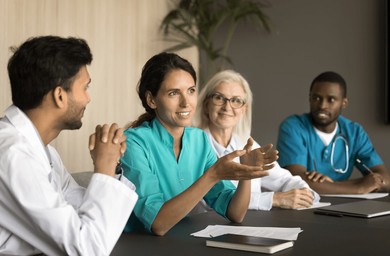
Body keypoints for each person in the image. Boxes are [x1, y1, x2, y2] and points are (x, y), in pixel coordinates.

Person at [0, 36, 138, 256]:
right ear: (60, 96)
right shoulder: (13, 155)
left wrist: (110, 166)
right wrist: (103, 168)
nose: (88, 98)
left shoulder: (44, 152)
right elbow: (87, 253)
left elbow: (80, 209)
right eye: (85, 88)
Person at [121, 52, 278, 236]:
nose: (186, 103)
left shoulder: (198, 139)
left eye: (191, 91)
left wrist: (247, 173)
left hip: (181, 242)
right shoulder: (133, 142)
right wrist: (212, 175)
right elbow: (158, 224)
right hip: (137, 247)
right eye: (174, 93)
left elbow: (235, 213)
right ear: (151, 100)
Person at [194, 69, 319, 210]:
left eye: (236, 100)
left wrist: (305, 193)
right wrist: (274, 199)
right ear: (206, 105)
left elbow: (283, 179)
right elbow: (211, 201)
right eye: (219, 98)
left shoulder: (246, 144)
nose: (227, 107)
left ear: (244, 109)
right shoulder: (193, 146)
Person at [277, 71, 390, 194]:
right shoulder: (293, 127)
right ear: (309, 98)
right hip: (304, 205)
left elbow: (386, 180)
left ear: (344, 103)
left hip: (345, 205)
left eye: (331, 99)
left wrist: (334, 184)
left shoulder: (354, 132)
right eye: (316, 98)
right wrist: (359, 187)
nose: (322, 105)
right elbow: (297, 181)